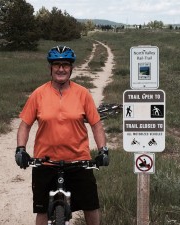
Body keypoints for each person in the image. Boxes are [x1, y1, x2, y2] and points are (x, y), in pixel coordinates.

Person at [15, 45, 109, 225]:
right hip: (45, 162)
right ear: (50, 68)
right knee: (41, 210)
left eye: (65, 64)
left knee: (91, 206)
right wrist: (20, 149)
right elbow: (25, 125)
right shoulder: (38, 94)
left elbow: (96, 125)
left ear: (71, 68)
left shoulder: (82, 94)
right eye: (57, 64)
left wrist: (103, 150)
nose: (61, 69)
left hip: (78, 160)